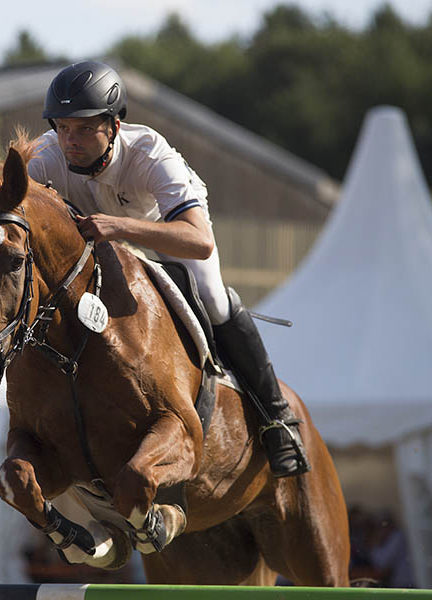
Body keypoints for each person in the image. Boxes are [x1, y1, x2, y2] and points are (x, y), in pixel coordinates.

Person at [26, 60, 309, 477]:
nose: (71, 140)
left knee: (212, 298)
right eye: (63, 127)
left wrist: (120, 228)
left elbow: (199, 241)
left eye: (85, 128)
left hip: (167, 232)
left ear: (114, 125)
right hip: (102, 245)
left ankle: (276, 418)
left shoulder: (149, 154)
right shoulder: (44, 157)